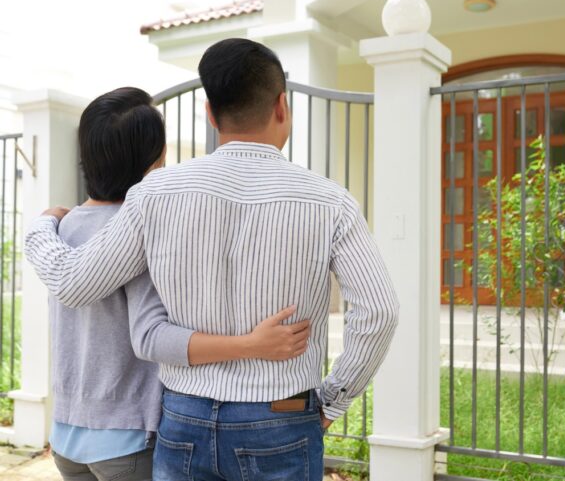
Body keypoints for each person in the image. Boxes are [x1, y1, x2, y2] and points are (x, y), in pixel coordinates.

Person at [25, 39, 399, 481]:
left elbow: (72, 283)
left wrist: (40, 228)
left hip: (183, 419)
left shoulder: (153, 196)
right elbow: (379, 311)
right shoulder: (330, 201)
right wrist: (333, 400)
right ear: (282, 106)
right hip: (281, 414)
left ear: (209, 111)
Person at [48, 87, 311, 481]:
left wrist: (40, 222)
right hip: (127, 439)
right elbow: (153, 337)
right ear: (155, 160)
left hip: (67, 436)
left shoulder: (61, 227)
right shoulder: (138, 229)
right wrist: (250, 345)